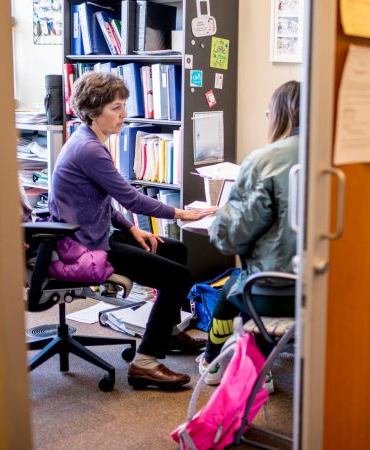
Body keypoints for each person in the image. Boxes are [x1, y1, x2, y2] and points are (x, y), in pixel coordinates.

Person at [49, 72, 215, 389]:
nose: (123, 114)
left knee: (174, 250)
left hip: (93, 234)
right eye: (115, 107)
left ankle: (166, 332)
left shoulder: (88, 139)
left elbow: (100, 202)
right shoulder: (90, 150)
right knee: (177, 277)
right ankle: (145, 362)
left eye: (123, 105)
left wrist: (131, 229)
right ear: (93, 111)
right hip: (86, 247)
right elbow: (130, 198)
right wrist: (181, 213)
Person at [196, 80, 300, 385]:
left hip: (275, 293)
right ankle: (257, 362)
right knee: (238, 288)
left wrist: (219, 221)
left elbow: (232, 238)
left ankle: (217, 364)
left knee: (231, 291)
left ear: (280, 115)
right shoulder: (340, 157)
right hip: (328, 294)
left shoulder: (264, 161)